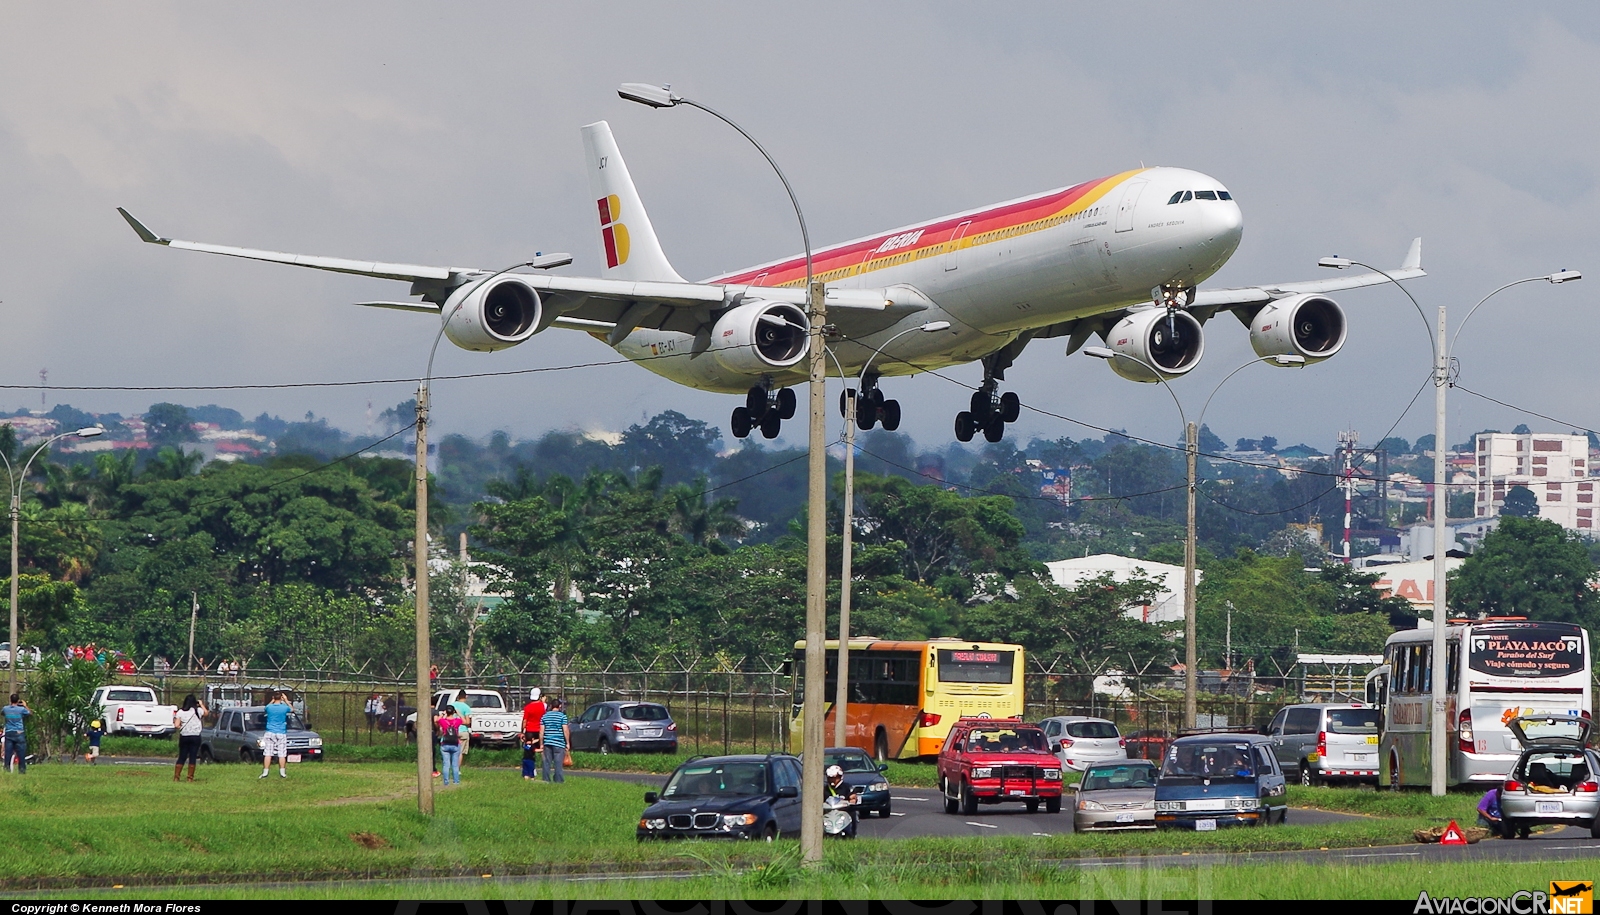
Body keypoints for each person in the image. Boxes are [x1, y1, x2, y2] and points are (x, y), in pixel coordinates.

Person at [174, 694, 207, 782]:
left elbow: (176, 725)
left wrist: (181, 726)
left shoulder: (180, 712)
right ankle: (190, 778)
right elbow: (206, 713)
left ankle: (177, 777)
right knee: (193, 756)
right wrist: (201, 704)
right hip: (195, 736)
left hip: (184, 736)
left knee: (182, 756)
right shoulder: (198, 711)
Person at [260, 691, 292, 779]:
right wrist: (286, 700)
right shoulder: (284, 708)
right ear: (281, 698)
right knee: (281, 753)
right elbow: (292, 709)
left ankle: (265, 772)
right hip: (281, 732)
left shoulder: (269, 707)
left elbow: (265, 708)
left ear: (273, 698)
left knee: (268, 753)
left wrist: (272, 700)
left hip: (270, 732)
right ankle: (282, 773)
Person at [539, 698, 570, 783]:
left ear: (551, 706)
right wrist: (567, 742)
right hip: (559, 742)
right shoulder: (562, 716)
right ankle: (558, 780)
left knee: (546, 762)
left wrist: (541, 743)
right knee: (558, 763)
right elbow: (565, 730)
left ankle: (546, 779)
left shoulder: (544, 716)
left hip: (547, 742)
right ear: (559, 706)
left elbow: (541, 732)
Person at [824, 764, 859, 837]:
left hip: (844, 811)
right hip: (828, 812)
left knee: (853, 814)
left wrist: (851, 801)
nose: (832, 780)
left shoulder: (847, 787)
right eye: (830, 778)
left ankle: (852, 834)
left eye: (835, 778)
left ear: (840, 777)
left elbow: (853, 797)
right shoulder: (824, 789)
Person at [520, 688, 546, 781]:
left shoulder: (528, 707)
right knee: (542, 750)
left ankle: (528, 772)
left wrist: (522, 731)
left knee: (528, 752)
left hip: (530, 731)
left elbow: (525, 721)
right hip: (539, 730)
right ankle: (544, 770)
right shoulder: (542, 706)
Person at [437, 706, 465, 786]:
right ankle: (456, 781)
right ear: (453, 712)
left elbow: (437, 720)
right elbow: (465, 721)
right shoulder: (457, 721)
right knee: (455, 764)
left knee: (446, 764)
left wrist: (443, 714)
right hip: (455, 744)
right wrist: (459, 713)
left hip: (445, 744)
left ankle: (446, 782)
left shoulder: (443, 721)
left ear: (447, 711)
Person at [3, 694, 30, 774]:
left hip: (9, 732)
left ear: (10, 700)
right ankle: (22, 770)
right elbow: (29, 713)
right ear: (18, 701)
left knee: (8, 753)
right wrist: (25, 706)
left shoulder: (5, 708)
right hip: (19, 733)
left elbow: (3, 713)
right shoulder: (21, 709)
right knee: (21, 753)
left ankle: (6, 769)